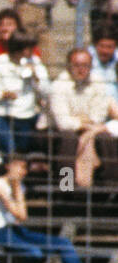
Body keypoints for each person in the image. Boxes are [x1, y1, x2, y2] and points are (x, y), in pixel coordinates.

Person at [0, 154, 91, 263]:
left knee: (63, 243)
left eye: (24, 168)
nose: (23, 171)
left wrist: (17, 187)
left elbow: (21, 217)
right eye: (19, 166)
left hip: (15, 228)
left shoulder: (19, 185)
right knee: (35, 253)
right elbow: (21, 215)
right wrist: (16, 186)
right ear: (8, 166)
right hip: (0, 231)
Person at [48, 48, 118, 187]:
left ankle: (111, 187)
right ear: (68, 66)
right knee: (69, 139)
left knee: (105, 138)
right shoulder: (58, 86)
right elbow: (63, 123)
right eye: (77, 65)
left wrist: (81, 122)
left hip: (89, 129)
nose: (81, 69)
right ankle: (66, 187)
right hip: (55, 131)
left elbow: (98, 116)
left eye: (85, 65)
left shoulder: (98, 83)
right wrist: (83, 122)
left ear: (91, 66)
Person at [0, 28, 50, 155]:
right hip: (3, 114)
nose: (29, 52)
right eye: (25, 49)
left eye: (31, 48)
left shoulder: (35, 62)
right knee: (10, 150)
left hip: (27, 115)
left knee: (23, 150)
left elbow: (46, 91)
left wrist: (36, 77)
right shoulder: (0, 62)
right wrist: (2, 94)